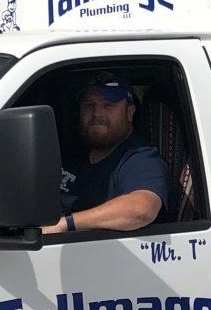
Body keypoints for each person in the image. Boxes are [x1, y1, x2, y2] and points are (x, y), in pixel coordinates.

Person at [42, 72, 167, 235]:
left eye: (108, 105)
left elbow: (141, 209)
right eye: (89, 105)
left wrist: (66, 224)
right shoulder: (72, 157)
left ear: (129, 112)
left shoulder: (140, 158)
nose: (97, 114)